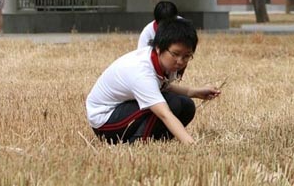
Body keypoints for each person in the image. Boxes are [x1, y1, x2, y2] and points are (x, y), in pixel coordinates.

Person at [86, 18, 221, 144]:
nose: (180, 61)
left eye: (187, 56)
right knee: (171, 103)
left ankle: (156, 141)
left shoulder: (164, 63)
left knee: (186, 105)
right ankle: (138, 143)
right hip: (105, 122)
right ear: (158, 48)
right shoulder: (142, 71)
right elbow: (164, 113)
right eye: (175, 54)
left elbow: (163, 87)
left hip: (124, 108)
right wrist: (191, 144)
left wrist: (195, 92)